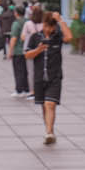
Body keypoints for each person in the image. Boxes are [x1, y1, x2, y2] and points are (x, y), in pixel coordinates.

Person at [25, 8, 66, 145]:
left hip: (55, 76)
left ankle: (49, 133)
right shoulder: (35, 37)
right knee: (44, 106)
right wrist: (38, 50)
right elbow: (27, 55)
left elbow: (70, 37)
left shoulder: (58, 36)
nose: (49, 29)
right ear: (43, 24)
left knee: (50, 104)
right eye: (47, 26)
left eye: (52, 26)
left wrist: (60, 20)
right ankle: (49, 129)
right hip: (40, 77)